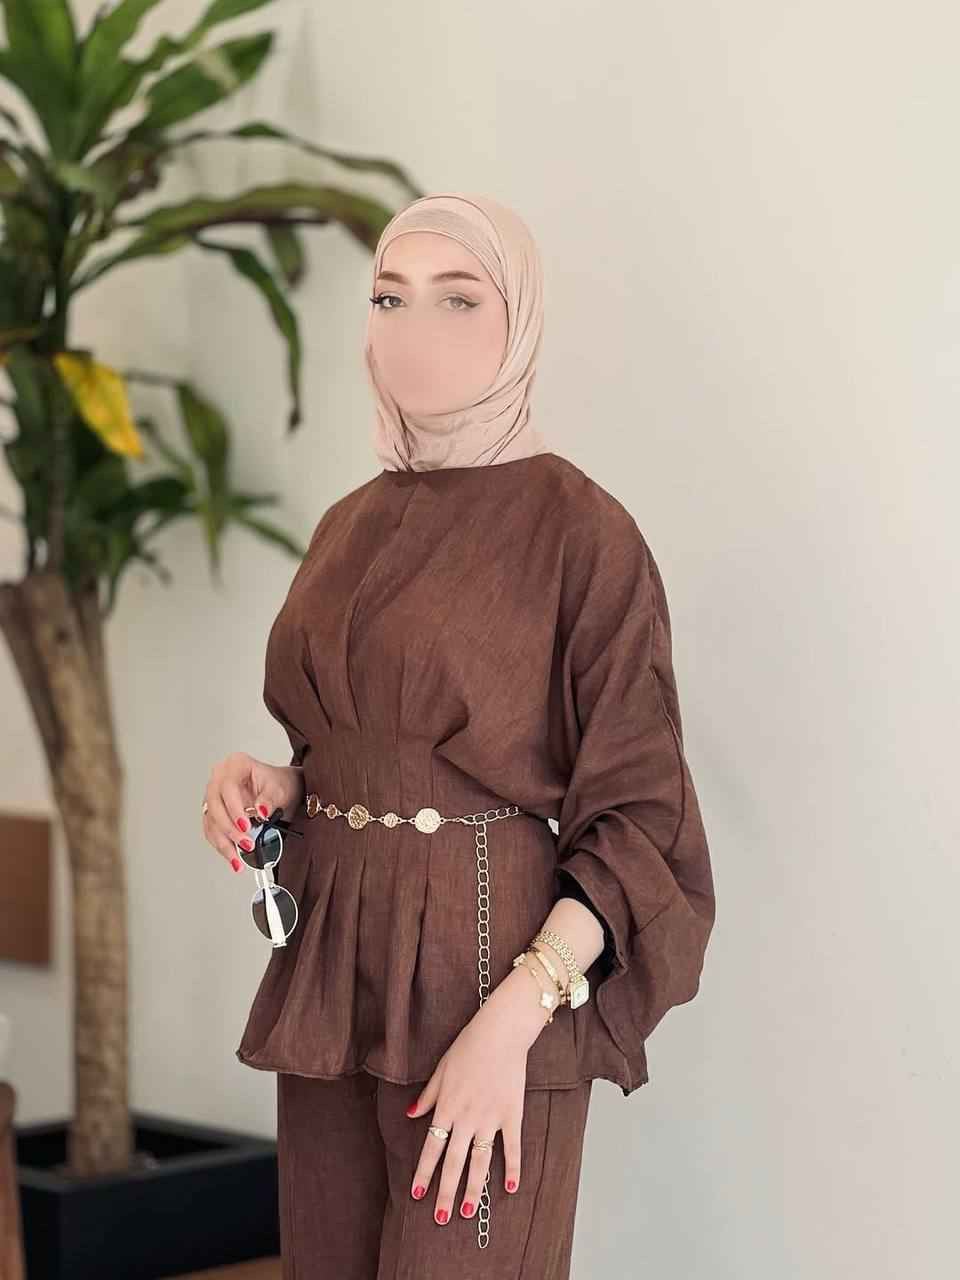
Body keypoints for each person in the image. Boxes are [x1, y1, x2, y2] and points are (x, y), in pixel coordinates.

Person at [201, 192, 716, 1278]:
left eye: (458, 298)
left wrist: (510, 1028)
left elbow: (639, 822)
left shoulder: (584, 534)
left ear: (518, 318)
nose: (413, 329)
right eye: (389, 297)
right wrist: (283, 786)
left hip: (490, 984)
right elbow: (369, 749)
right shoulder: (349, 523)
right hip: (333, 977)